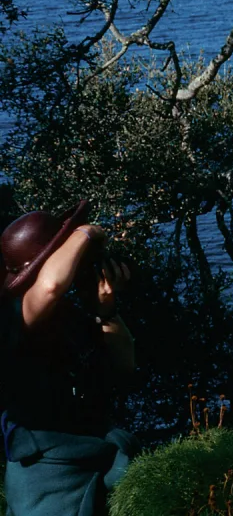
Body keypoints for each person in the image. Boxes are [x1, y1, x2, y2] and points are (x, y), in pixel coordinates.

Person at [1, 198, 137, 516]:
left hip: (91, 447)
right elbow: (49, 287)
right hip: (46, 468)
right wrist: (86, 232)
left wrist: (107, 312)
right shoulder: (10, 317)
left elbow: (126, 364)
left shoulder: (69, 317)